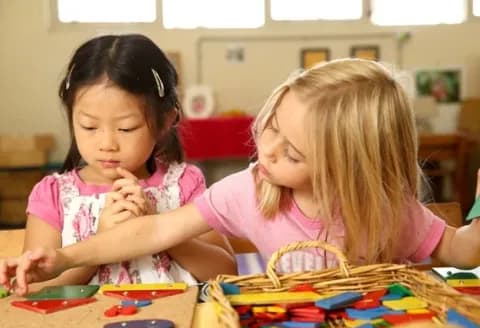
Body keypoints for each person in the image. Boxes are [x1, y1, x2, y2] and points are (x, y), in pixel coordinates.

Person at [2, 58, 480, 295]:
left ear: (348, 167)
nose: (265, 150)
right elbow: (149, 231)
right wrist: (63, 257)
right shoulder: (251, 189)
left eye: (290, 151)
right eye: (270, 125)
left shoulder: (387, 209)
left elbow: (461, 250)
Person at [4, 34, 236, 292]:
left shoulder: (184, 184)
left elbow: (225, 271)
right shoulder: (54, 195)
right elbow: (31, 290)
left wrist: (157, 229)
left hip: (177, 325)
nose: (107, 144)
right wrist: (100, 243)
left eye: (126, 128)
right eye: (89, 126)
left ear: (166, 121)